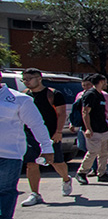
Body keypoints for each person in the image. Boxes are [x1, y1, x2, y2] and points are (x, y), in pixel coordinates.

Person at [0, 70, 54, 219]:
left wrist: (47, 147)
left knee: (5, 191)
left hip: (9, 155)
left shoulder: (19, 100)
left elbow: (37, 124)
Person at [19, 68, 73, 205]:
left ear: (39, 78)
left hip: (50, 134)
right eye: (24, 79)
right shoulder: (24, 95)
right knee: (31, 163)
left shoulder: (53, 94)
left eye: (29, 79)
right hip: (30, 135)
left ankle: (66, 179)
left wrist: (58, 132)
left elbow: (61, 114)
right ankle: (35, 194)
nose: (26, 82)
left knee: (56, 162)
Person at [75, 74, 108, 184]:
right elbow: (85, 112)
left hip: (103, 128)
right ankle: (81, 173)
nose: (106, 83)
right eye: (105, 81)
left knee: (104, 152)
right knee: (93, 152)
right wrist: (88, 128)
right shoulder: (90, 94)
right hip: (93, 129)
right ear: (101, 81)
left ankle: (102, 173)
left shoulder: (101, 94)